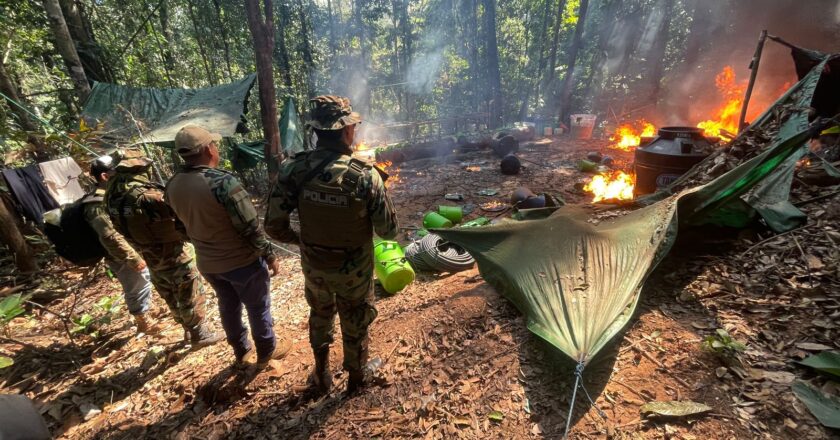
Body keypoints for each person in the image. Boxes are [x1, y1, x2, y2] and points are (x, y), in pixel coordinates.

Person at [265, 95, 399, 395]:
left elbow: (273, 226)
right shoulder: (365, 176)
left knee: (321, 313)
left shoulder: (293, 170)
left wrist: (302, 241)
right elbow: (389, 232)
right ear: (346, 130)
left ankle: (322, 373)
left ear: (316, 131)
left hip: (315, 265)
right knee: (356, 318)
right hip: (355, 271)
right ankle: (356, 378)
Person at [165, 125, 290, 368]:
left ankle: (241, 351)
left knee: (228, 305)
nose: (216, 148)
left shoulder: (172, 185)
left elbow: (179, 228)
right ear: (207, 149)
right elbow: (249, 226)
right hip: (241, 261)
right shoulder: (222, 182)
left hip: (208, 264)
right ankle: (267, 351)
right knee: (257, 306)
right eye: (214, 144)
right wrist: (270, 255)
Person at [104, 149, 222, 349]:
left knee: (169, 291)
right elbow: (181, 212)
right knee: (188, 289)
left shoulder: (111, 197)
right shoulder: (148, 196)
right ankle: (199, 333)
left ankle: (188, 329)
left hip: (149, 253)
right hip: (172, 252)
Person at [85, 155, 160, 334]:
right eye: (117, 171)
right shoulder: (96, 204)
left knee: (144, 280)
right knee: (137, 284)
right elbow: (109, 235)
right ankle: (143, 321)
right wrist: (132, 258)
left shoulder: (114, 195)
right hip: (120, 254)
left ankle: (146, 309)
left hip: (132, 246)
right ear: (104, 176)